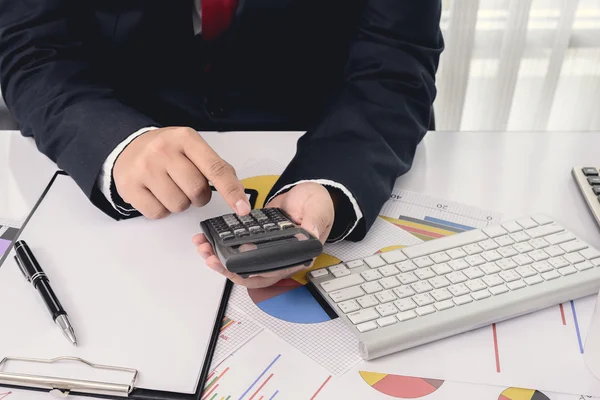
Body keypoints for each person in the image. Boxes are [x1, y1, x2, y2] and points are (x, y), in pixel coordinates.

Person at [0, 0, 443, 288]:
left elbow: (397, 60)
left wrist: (331, 183)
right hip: (123, 129)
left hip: (318, 128)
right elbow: (31, 48)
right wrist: (115, 143)